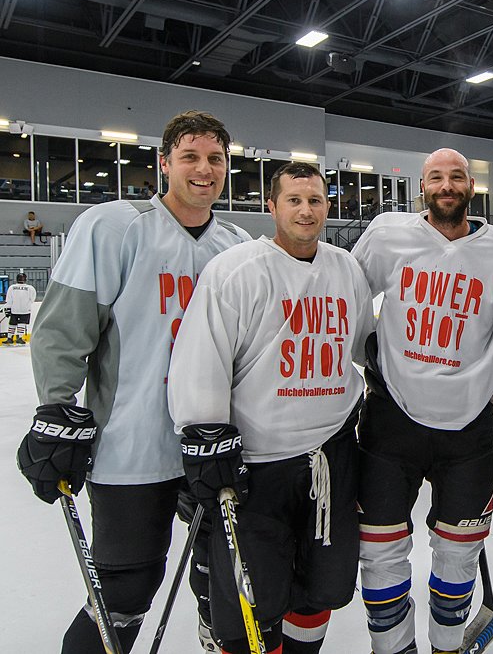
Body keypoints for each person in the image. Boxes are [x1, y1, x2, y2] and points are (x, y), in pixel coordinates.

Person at [16, 110, 251, 654]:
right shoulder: (115, 227)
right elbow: (63, 329)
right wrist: (56, 407)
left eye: (215, 158)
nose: (203, 169)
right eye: (189, 157)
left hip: (211, 446)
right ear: (164, 163)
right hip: (131, 448)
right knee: (125, 588)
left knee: (224, 584)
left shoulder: (236, 246)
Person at [167, 162, 374, 654]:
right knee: (252, 603)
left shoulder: (346, 268)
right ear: (271, 207)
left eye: (316, 201)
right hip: (255, 468)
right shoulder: (235, 269)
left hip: (330, 458)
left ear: (328, 206)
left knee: (322, 587)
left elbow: (364, 345)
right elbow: (202, 357)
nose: (306, 210)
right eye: (294, 200)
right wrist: (202, 434)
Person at [351, 148, 493, 654]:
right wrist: (364, 359)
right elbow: (347, 302)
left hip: (470, 426)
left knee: (458, 554)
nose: (446, 185)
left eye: (456, 177)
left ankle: (447, 646)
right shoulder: (387, 235)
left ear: (471, 185)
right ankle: (394, 649)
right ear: (422, 187)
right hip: (391, 422)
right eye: (435, 177)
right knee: (380, 551)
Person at [3, 271, 36, 344]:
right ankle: (19, 337)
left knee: (12, 324)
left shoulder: (12, 287)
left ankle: (9, 338)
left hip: (14, 309)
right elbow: (32, 299)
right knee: (22, 323)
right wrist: (27, 304)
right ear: (25, 279)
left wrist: (7, 309)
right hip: (25, 310)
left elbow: (9, 299)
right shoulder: (30, 288)